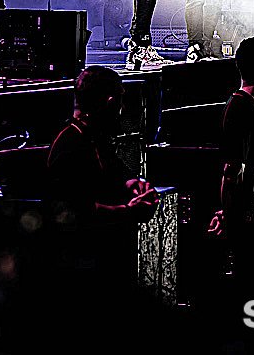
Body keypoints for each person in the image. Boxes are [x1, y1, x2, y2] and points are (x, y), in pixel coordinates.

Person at [43, 66, 159, 325]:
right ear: (110, 103)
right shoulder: (70, 144)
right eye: (119, 103)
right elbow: (75, 211)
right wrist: (129, 212)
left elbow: (115, 170)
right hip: (81, 270)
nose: (121, 111)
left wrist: (133, 184)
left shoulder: (92, 137)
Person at [208, 36, 254, 303]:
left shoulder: (250, 108)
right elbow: (232, 169)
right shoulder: (242, 108)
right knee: (251, 282)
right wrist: (230, 216)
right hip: (252, 220)